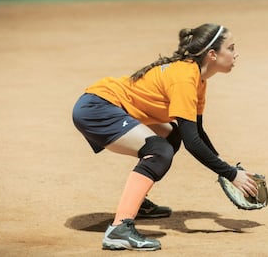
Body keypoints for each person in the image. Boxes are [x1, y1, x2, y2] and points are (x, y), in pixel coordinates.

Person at [72, 23, 258, 251]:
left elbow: (195, 131)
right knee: (159, 150)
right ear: (212, 54)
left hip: (108, 106)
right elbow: (193, 143)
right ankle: (120, 228)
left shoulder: (197, 78)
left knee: (172, 136)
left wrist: (226, 168)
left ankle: (136, 202)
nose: (235, 53)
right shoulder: (184, 78)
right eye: (230, 48)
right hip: (98, 107)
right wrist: (230, 174)